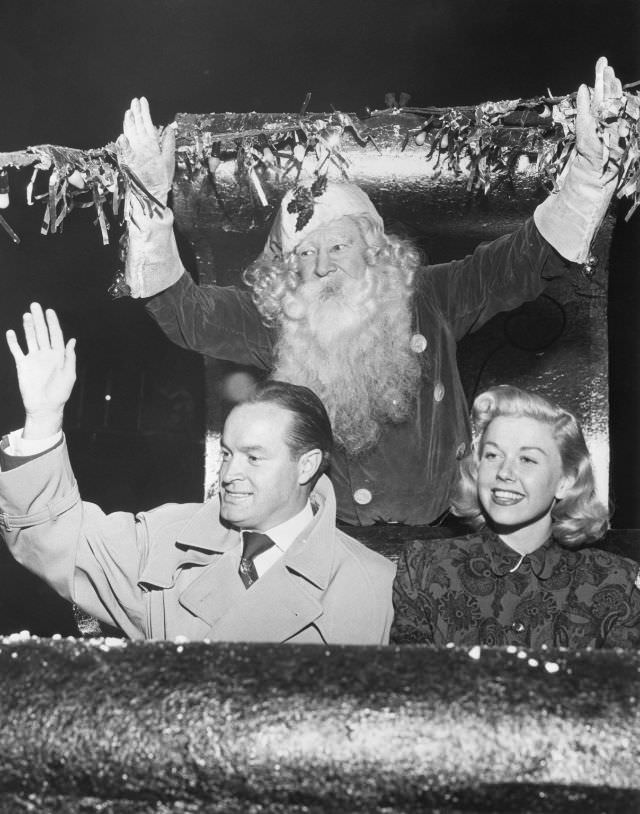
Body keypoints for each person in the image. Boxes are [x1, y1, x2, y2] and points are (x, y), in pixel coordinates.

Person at [118, 57, 625, 526]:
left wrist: (585, 177)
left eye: (338, 245)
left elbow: (517, 265)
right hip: (328, 539)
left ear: (373, 248)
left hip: (443, 533)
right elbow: (186, 314)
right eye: (305, 255)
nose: (321, 267)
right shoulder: (281, 322)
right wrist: (146, 206)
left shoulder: (430, 296)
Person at [0, 304, 395, 644]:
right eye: (226, 454)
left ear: (306, 465)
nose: (229, 473)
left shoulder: (364, 582)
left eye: (253, 458)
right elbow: (57, 539)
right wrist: (44, 418)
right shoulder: (169, 539)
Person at [391, 386, 640, 649]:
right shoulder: (425, 567)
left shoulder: (616, 582)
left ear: (565, 481)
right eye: (493, 455)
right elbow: (411, 683)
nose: (505, 472)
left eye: (527, 459)